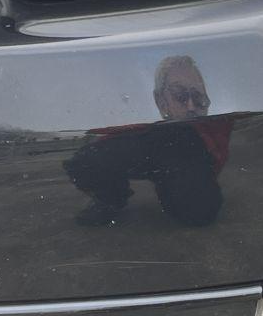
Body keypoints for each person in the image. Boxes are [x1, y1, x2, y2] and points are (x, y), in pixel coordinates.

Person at [64, 56, 229, 227]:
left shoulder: (212, 128)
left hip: (185, 151)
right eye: (179, 94)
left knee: (199, 212)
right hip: (149, 147)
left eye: (198, 97)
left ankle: (172, 185)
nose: (191, 106)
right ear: (161, 101)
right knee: (84, 161)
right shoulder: (142, 128)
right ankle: (111, 197)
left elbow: (218, 153)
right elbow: (95, 154)